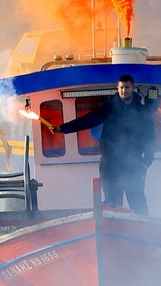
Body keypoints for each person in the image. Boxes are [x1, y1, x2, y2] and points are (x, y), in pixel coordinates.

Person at [52, 74, 155, 214]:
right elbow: (87, 120)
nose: (124, 90)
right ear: (117, 89)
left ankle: (143, 232)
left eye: (127, 87)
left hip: (134, 165)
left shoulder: (143, 111)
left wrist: (146, 162)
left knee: (138, 204)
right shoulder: (109, 108)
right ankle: (114, 234)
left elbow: (150, 138)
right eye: (121, 87)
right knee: (113, 205)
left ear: (133, 88)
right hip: (110, 165)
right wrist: (62, 128)